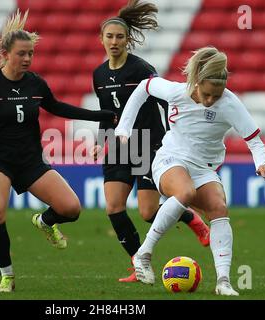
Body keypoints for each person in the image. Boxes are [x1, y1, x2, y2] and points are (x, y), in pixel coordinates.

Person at [0, 9, 116, 293]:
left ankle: (44, 222)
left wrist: (97, 115)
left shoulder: (35, 83)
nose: (28, 59)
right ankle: (7, 275)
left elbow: (57, 108)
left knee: (71, 208)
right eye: (22, 54)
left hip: (30, 159)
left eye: (31, 53)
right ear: (6, 54)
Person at [115, 46, 265, 295]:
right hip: (170, 159)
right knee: (185, 192)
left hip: (204, 168)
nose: (211, 100)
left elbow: (253, 140)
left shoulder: (230, 103)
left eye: (217, 95)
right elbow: (143, 88)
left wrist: (261, 162)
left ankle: (223, 282)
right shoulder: (177, 91)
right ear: (196, 82)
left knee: (219, 209)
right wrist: (123, 128)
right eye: (207, 94)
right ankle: (143, 254)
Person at [91, 0, 210, 283]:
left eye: (120, 36)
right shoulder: (98, 74)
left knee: (146, 212)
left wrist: (176, 135)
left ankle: (190, 217)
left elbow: (167, 101)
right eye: (109, 36)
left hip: (148, 143)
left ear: (128, 39)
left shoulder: (142, 69)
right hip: (117, 144)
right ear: (101, 39)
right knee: (114, 207)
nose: (114, 41)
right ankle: (139, 265)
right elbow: (107, 111)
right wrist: (100, 139)